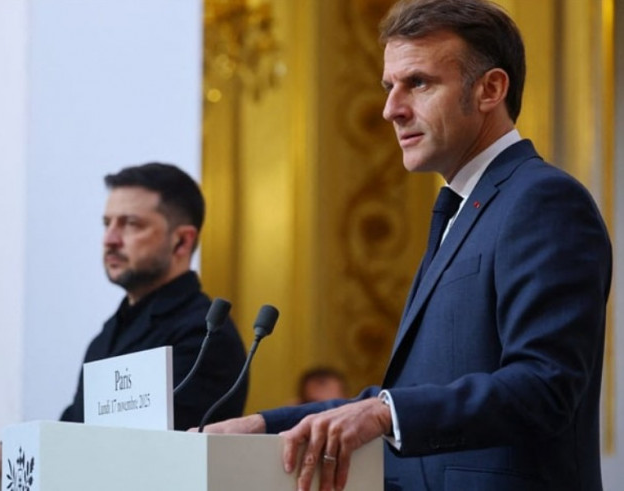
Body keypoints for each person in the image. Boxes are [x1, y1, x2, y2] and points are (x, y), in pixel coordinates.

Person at [198, 1, 612, 490]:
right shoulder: (464, 208)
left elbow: (546, 384)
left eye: (418, 83)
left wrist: (384, 413)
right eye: (388, 87)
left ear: (490, 89)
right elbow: (412, 394)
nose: (391, 109)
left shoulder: (542, 200)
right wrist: (263, 426)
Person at [0, 162, 248, 489]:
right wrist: (6, 452)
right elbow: (74, 429)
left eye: (130, 224)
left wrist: (16, 454)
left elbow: (155, 456)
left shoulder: (205, 336)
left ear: (181, 241)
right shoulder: (108, 335)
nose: (110, 239)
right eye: (107, 224)